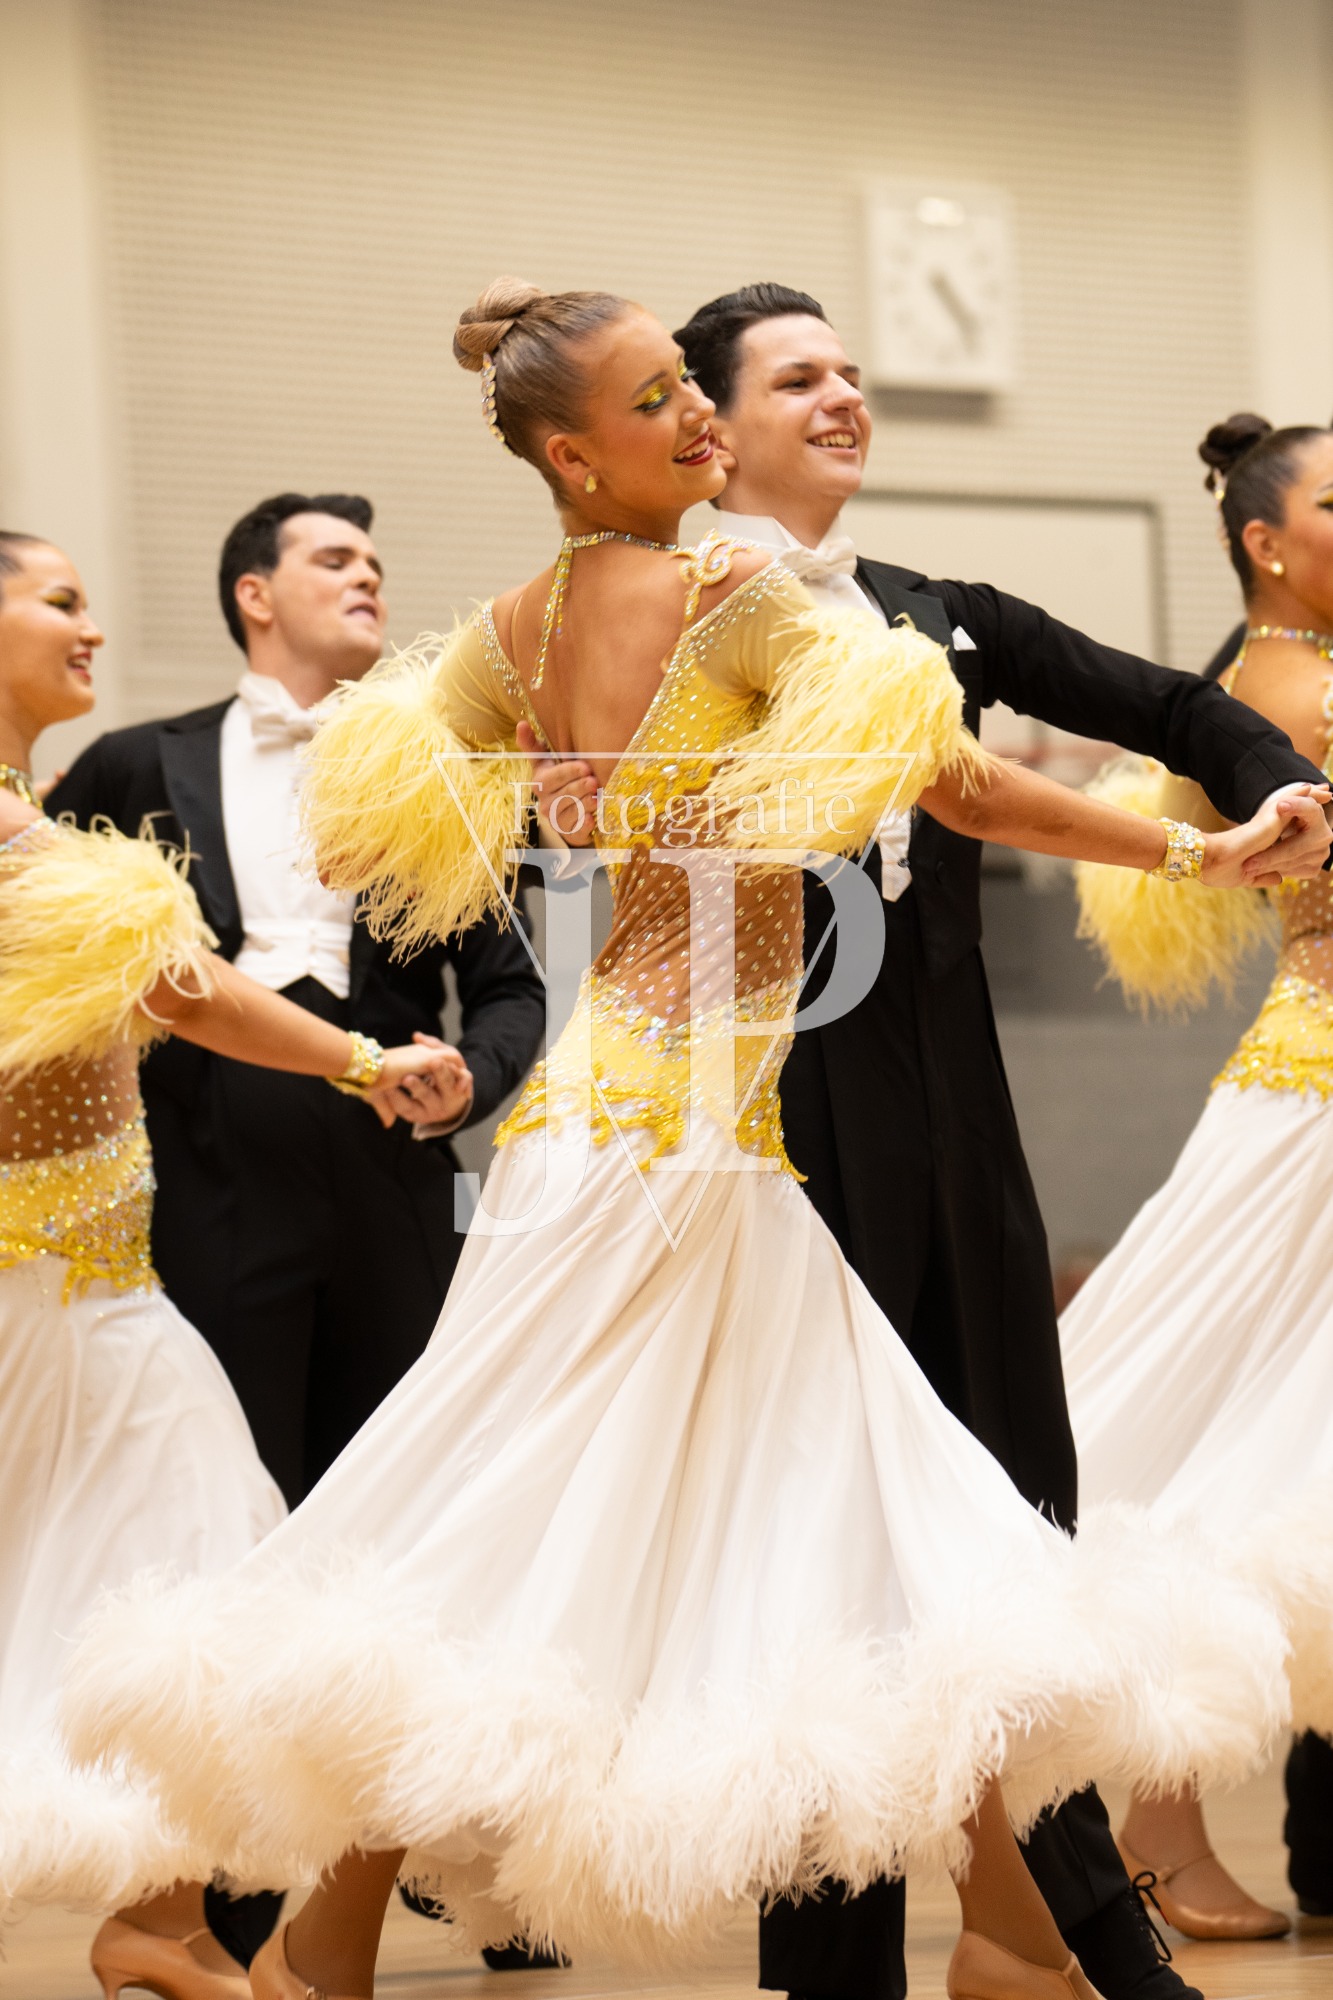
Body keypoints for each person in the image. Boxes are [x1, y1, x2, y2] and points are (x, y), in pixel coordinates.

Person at [64, 283, 1302, 2000]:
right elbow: (951, 784)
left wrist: (568, 804)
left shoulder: (515, 628)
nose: (697, 417)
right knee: (651, 1518)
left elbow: (366, 833)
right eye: (661, 398)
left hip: (616, 1130)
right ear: (576, 455)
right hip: (681, 1155)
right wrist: (1192, 854)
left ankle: (1009, 1934)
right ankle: (324, 1945)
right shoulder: (730, 596)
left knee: (824, 1508)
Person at [560, 284, 1333, 2000]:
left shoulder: (939, 613)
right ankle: (895, 1953)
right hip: (768, 1113)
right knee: (818, 1534)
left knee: (1014, 1509)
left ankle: (1027, 1925)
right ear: (714, 427)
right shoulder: (668, 607)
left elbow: (1169, 701)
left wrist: (1277, 783)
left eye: (851, 370)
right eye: (799, 377)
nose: (843, 394)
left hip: (952, 1103)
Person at [0, 532, 455, 1999]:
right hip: (39, 1288)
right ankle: (159, 1913)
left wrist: (362, 1058)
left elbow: (164, 991)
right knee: (144, 1563)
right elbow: (180, 989)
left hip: (99, 1280)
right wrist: (362, 1058)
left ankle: (164, 1914)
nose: (91, 628)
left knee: (183, 1561)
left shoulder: (30, 817)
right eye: (58, 602)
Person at [48, 492, 546, 1512]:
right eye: (334, 560)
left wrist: (468, 1084)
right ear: (255, 594)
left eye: (375, 566)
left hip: (391, 1153)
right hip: (201, 1160)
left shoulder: (443, 771)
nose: (367, 576)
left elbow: (511, 985)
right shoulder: (130, 763)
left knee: (409, 1478)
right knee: (223, 1478)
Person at [1060, 413, 1333, 1940]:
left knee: (1250, 1444)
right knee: (1222, 1449)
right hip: (1315, 1099)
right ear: (1264, 542)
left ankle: (1160, 1828)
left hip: (1304, 1081)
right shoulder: (1285, 687)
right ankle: (1153, 1828)